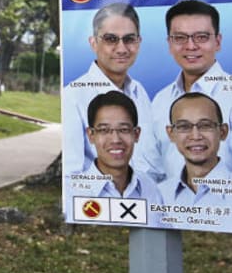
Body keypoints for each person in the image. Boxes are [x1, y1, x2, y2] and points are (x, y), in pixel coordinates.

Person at [151, 0, 232, 181]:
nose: (191, 46)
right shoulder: (161, 99)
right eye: (180, 38)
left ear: (218, 41)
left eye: (201, 37)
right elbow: (151, 167)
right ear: (169, 43)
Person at [63, 3, 163, 180]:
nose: (122, 49)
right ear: (93, 43)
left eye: (129, 39)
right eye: (111, 39)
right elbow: (72, 176)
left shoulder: (138, 91)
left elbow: (151, 161)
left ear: (139, 42)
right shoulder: (73, 97)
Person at [159, 92, 232, 234]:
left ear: (223, 132)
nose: (195, 136)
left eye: (205, 125)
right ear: (171, 134)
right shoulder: (159, 194)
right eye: (184, 127)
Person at [66, 92, 162, 226]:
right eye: (104, 130)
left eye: (124, 129)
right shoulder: (71, 192)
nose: (115, 140)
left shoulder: (150, 188)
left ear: (136, 134)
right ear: (91, 135)